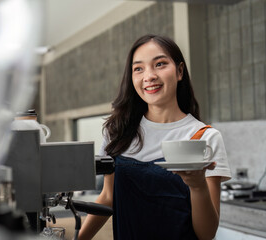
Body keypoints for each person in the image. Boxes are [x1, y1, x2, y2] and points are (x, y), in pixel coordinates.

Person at [78, 34, 231, 240]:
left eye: (160, 64)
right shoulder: (118, 131)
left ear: (179, 71)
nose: (149, 76)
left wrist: (198, 186)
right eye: (138, 68)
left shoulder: (204, 137)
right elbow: (107, 197)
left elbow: (206, 234)